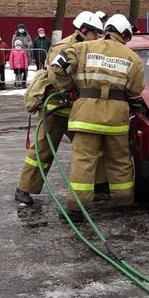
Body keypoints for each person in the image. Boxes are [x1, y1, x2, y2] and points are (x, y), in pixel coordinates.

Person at [47, 13, 145, 221]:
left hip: (86, 114)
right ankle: (124, 202)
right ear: (124, 34)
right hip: (116, 116)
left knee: (84, 161)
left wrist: (68, 86)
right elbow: (136, 89)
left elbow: (57, 67)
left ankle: (76, 209)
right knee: (119, 161)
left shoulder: (82, 48)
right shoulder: (133, 58)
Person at [15, 11, 106, 207]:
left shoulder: (87, 47)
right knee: (44, 149)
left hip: (77, 108)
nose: (97, 37)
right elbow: (57, 78)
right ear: (83, 30)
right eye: (95, 33)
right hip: (56, 107)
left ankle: (100, 184)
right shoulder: (64, 48)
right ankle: (24, 189)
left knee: (92, 147)